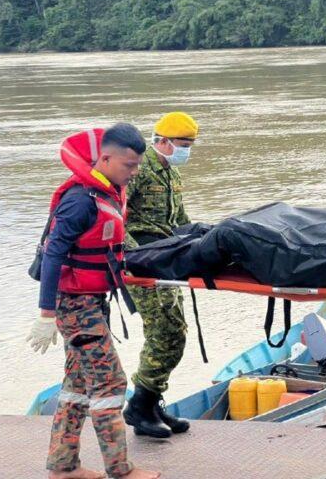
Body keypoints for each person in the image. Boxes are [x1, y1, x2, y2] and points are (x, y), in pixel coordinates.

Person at [26, 124, 159, 479]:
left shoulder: (107, 192)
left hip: (91, 301)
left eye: (136, 167)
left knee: (77, 385)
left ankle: (63, 466)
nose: (132, 174)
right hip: (76, 305)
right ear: (105, 158)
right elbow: (53, 255)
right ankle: (121, 469)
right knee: (110, 383)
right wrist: (45, 315)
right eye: (128, 166)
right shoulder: (80, 201)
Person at [122, 112, 198, 439]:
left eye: (190, 146)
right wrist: (133, 258)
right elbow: (115, 215)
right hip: (142, 262)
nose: (185, 151)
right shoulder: (138, 170)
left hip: (168, 260)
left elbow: (179, 221)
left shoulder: (172, 174)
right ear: (162, 141)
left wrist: (203, 243)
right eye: (182, 145)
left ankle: (149, 402)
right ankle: (139, 407)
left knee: (175, 334)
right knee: (164, 332)